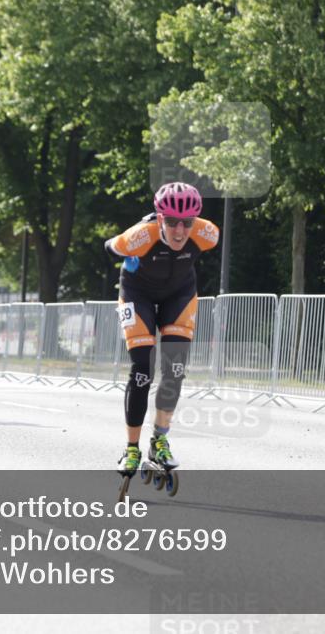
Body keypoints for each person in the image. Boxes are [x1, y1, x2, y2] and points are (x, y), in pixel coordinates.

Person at [104, 182, 220, 475]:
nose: (180, 231)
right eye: (171, 222)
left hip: (179, 294)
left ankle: (159, 440)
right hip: (137, 294)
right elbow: (109, 246)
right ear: (159, 218)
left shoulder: (207, 233)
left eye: (187, 222)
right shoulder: (140, 236)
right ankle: (131, 448)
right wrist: (129, 250)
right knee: (142, 369)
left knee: (175, 369)